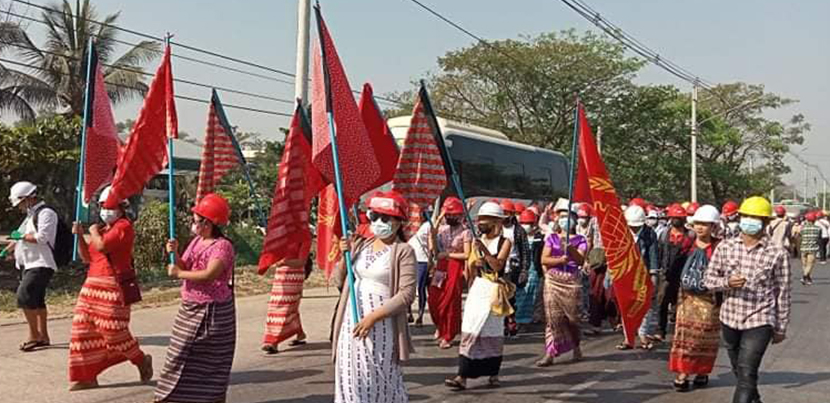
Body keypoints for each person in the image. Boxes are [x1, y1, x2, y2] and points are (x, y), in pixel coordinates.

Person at [703, 196, 791, 403]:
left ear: (766, 222)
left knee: (747, 370)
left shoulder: (778, 253)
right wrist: (726, 283)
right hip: (730, 316)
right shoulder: (726, 247)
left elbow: (783, 291)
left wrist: (781, 327)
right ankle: (756, 399)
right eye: (747, 216)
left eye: (756, 217)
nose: (750, 221)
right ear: (740, 218)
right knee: (741, 372)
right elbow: (708, 279)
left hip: (760, 319)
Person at [331, 191, 416, 402]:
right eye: (374, 217)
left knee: (378, 376)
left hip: (381, 326)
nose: (378, 222)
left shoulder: (404, 251)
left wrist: (373, 318)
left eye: (385, 218)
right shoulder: (362, 244)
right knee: (350, 378)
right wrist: (345, 255)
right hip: (351, 322)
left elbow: (406, 294)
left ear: (398, 223)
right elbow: (338, 281)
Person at [67, 186, 152, 390]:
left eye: (109, 206)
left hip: (113, 285)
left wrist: (92, 231)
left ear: (121, 207)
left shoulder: (123, 226)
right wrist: (79, 236)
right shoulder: (102, 230)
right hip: (91, 285)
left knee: (113, 330)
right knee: (82, 329)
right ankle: (87, 375)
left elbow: (103, 246)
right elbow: (87, 257)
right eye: (103, 206)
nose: (105, 210)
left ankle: (140, 359)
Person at [154, 194, 236, 403]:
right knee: (177, 356)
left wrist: (179, 274)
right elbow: (184, 265)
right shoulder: (197, 241)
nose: (193, 223)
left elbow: (210, 274)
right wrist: (174, 254)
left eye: (196, 219)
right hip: (190, 308)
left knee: (210, 363)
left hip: (213, 313)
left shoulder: (222, 246)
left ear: (207, 223)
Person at [445, 202, 512, 390]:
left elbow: (498, 265)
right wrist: (475, 267)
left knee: (491, 332)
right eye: (480, 219)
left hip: (494, 290)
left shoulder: (504, 242)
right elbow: (472, 266)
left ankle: (493, 374)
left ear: (497, 222)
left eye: (485, 220)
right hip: (478, 288)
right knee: (470, 329)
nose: (481, 223)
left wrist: (483, 250)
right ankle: (462, 376)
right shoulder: (477, 239)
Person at [669, 205, 722, 392]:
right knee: (685, 337)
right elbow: (674, 270)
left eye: (705, 224)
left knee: (705, 337)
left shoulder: (720, 247)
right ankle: (683, 373)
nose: (700, 228)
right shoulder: (686, 245)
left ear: (713, 226)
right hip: (687, 299)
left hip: (710, 300)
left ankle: (702, 371)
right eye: (698, 224)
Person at [4, 181, 56, 352]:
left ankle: (34, 336)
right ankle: (43, 336)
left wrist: (21, 236)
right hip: (29, 263)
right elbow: (18, 237)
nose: (18, 207)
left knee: (23, 296)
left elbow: (42, 238)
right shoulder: (30, 215)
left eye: (19, 203)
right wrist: (6, 251)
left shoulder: (46, 213)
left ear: (27, 198)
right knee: (37, 300)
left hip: (41, 263)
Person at [535, 199, 587, 366]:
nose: (564, 219)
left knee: (572, 319)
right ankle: (550, 353)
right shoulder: (552, 238)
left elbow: (580, 260)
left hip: (571, 281)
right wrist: (559, 259)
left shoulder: (581, 239)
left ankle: (576, 346)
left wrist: (569, 248)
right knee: (552, 318)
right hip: (553, 280)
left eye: (568, 216)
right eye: (562, 216)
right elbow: (544, 259)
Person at [428, 197, 470, 349]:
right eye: (448, 215)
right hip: (441, 267)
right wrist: (438, 218)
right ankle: (440, 325)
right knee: (434, 299)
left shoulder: (466, 233)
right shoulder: (441, 229)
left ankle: (448, 334)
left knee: (451, 301)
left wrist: (448, 255)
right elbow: (432, 238)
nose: (451, 217)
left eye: (454, 215)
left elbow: (466, 254)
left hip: (455, 266)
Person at [618, 205, 660, 350]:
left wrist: (654, 275)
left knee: (645, 304)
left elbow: (653, 255)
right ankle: (628, 337)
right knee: (626, 305)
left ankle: (642, 334)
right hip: (625, 274)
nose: (634, 229)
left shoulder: (650, 234)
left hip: (643, 274)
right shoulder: (621, 233)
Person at [261, 239, 311, 354]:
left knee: (282, 308)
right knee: (289, 307)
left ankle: (272, 342)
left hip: (295, 275)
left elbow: (301, 262)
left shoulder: (304, 238)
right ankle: (300, 334)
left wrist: (284, 262)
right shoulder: (283, 236)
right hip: (281, 275)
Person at [655, 203, 695, 343]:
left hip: (683, 274)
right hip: (666, 274)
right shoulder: (664, 234)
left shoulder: (691, 235)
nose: (676, 220)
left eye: (679, 217)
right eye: (674, 217)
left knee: (682, 304)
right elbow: (659, 252)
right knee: (662, 302)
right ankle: (660, 330)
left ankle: (681, 331)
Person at [500, 199, 530, 337]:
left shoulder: (519, 231)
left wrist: (524, 270)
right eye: (502, 213)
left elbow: (525, 251)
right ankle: (502, 323)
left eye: (507, 213)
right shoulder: (496, 228)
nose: (505, 216)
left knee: (512, 297)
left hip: (513, 268)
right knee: (500, 297)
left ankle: (512, 322)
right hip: (499, 267)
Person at [514, 209, 543, 328]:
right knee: (519, 294)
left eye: (529, 224)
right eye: (524, 223)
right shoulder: (517, 236)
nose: (526, 226)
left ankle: (526, 319)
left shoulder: (539, 238)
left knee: (532, 294)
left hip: (534, 270)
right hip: (520, 270)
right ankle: (516, 319)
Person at [408, 215, 434, 327]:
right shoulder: (407, 224)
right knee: (408, 287)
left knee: (420, 287)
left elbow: (431, 243)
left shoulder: (427, 225)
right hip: (408, 258)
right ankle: (409, 312)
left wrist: (430, 259)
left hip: (422, 259)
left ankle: (420, 315)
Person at [799, 212, 820, 285]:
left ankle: (808, 278)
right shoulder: (818, 229)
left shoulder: (803, 228)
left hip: (803, 247)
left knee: (804, 264)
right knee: (810, 264)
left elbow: (800, 235)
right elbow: (819, 238)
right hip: (813, 248)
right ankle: (804, 277)